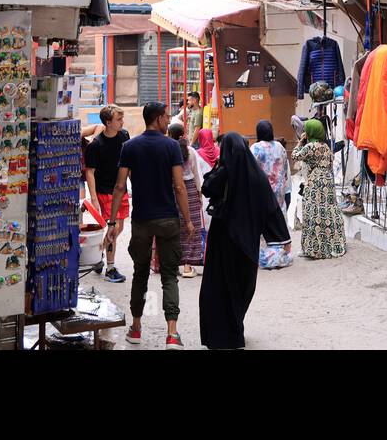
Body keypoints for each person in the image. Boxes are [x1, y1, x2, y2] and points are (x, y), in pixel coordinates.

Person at [106, 102, 195, 350]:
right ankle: (172, 334)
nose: (169, 121)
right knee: (169, 276)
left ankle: (135, 328)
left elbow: (120, 186)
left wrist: (112, 222)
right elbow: (179, 186)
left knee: (140, 273)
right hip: (168, 219)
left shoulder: (129, 147)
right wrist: (187, 220)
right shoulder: (171, 146)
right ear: (157, 118)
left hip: (142, 220)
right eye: (166, 117)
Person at [199, 132, 292, 349]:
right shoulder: (257, 177)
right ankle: (235, 331)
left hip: (222, 241)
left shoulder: (225, 173)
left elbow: (206, 188)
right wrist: (282, 237)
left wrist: (220, 166)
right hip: (246, 244)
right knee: (242, 287)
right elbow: (271, 208)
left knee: (219, 286)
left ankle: (220, 335)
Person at [150, 121, 206, 278]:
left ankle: (169, 263)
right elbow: (196, 175)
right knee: (191, 227)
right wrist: (199, 193)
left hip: (169, 191)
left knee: (170, 226)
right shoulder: (190, 152)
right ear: (183, 135)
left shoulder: (163, 150)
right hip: (189, 191)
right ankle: (188, 266)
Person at [83, 105, 129, 282]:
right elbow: (90, 173)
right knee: (114, 227)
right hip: (105, 192)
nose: (122, 122)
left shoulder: (124, 136)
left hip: (121, 189)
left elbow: (127, 162)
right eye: (118, 119)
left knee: (120, 227)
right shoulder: (96, 145)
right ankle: (110, 268)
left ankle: (98, 253)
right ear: (108, 122)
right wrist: (93, 199)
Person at [291, 118, 346, 259]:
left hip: (315, 182)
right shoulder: (326, 147)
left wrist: (300, 141)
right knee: (327, 212)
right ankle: (331, 245)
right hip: (327, 181)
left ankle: (314, 249)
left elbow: (294, 156)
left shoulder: (310, 147)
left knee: (313, 214)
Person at [250, 120, 291, 221]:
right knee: (279, 226)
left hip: (262, 196)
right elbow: (285, 171)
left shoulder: (255, 148)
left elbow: (250, 171)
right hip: (279, 194)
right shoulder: (280, 147)